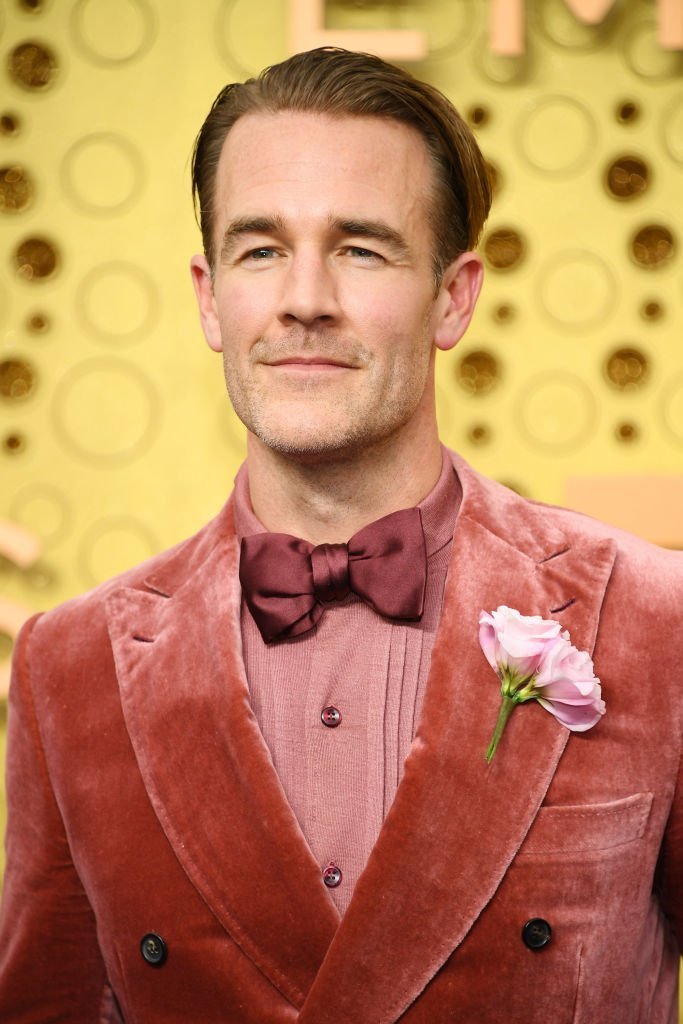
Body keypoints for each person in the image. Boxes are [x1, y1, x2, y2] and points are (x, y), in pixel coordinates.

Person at [0, 47, 681, 1024]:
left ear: (452, 297)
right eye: (260, 249)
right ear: (208, 295)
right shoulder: (71, 667)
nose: (303, 296)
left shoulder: (655, 623)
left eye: (360, 248)